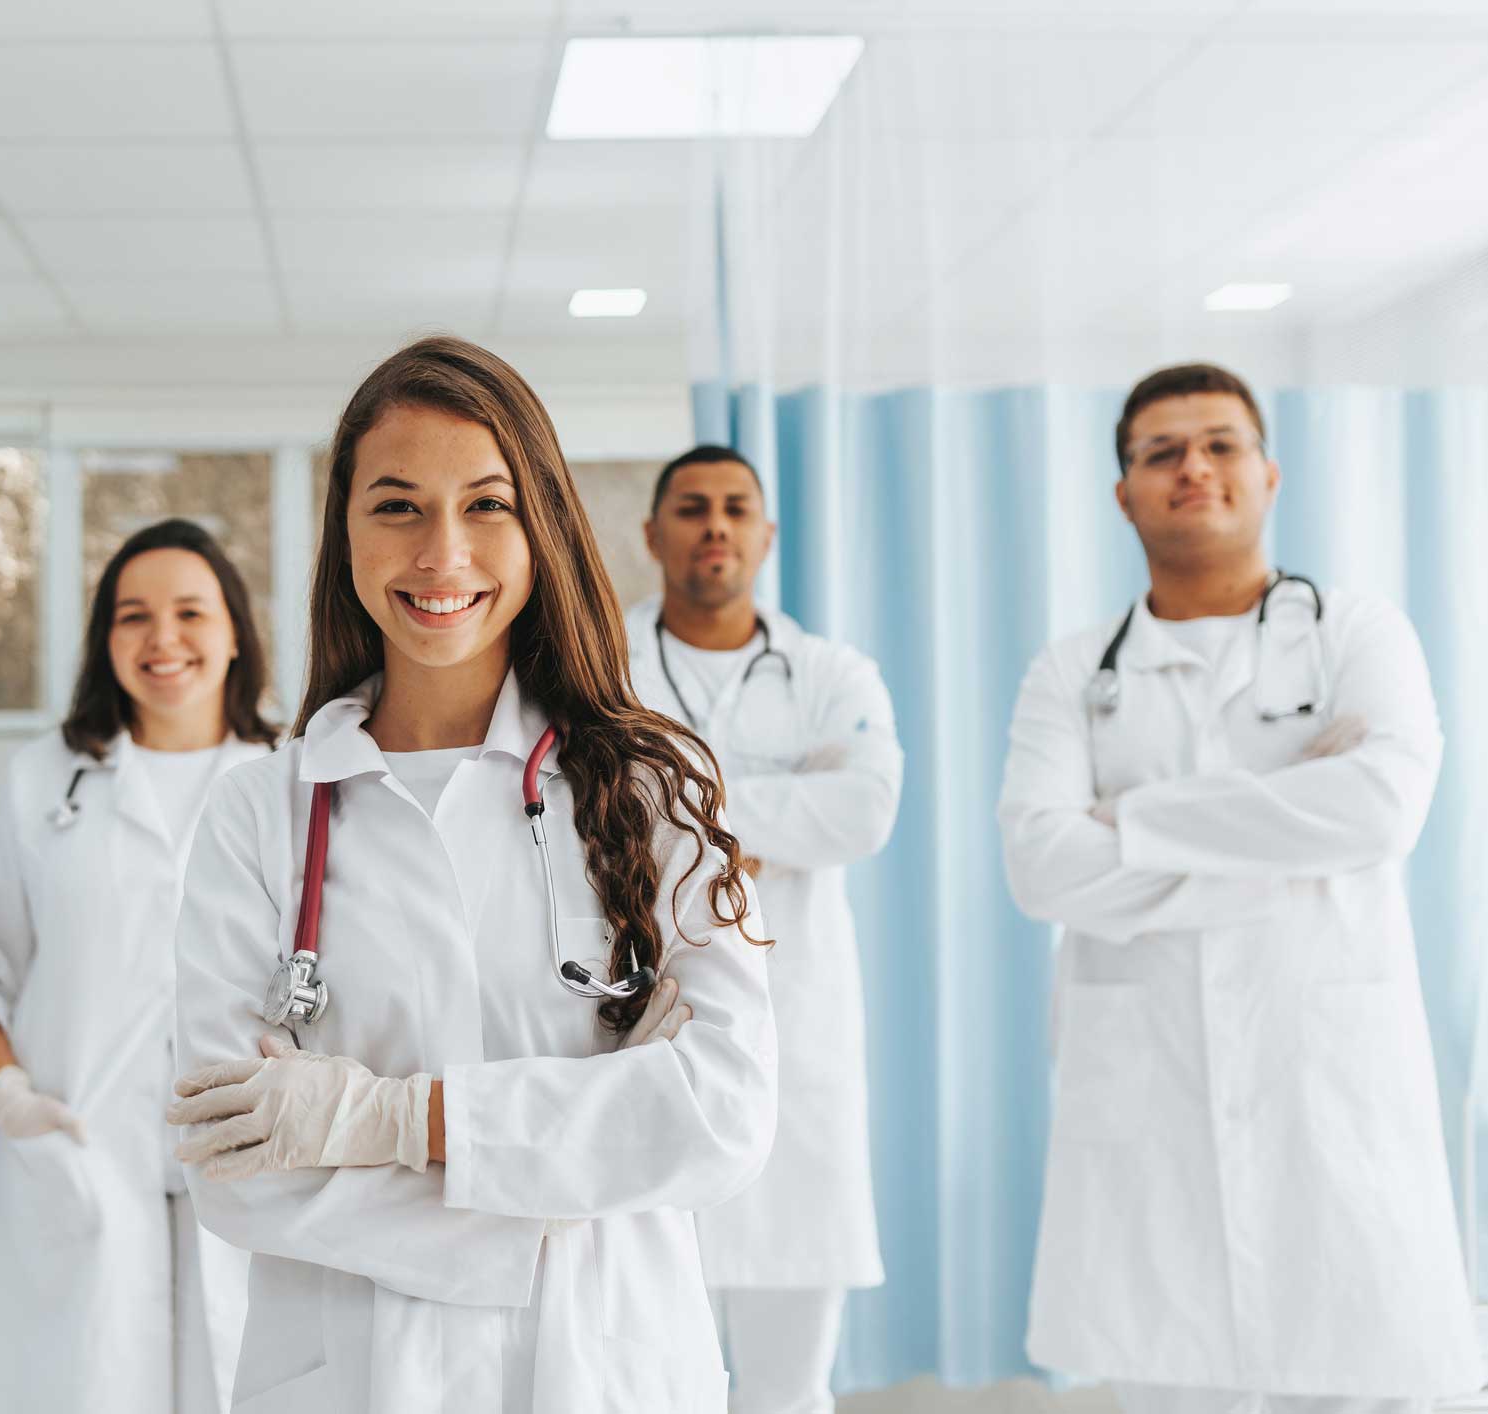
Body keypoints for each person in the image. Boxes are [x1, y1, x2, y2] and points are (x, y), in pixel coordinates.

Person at [165, 335, 779, 1413]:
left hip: (606, 1361)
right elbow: (228, 1165)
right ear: (344, 533)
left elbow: (722, 1116)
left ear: (541, 525)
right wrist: (574, 1159)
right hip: (349, 1374)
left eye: (486, 505)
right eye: (397, 506)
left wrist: (396, 1122)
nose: (442, 552)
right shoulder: (258, 813)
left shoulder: (650, 788)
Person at [997, 364, 1481, 1413]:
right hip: (1151, 1112)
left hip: (1332, 1097)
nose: (1193, 468)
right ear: (1122, 492)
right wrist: (1288, 836)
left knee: (1360, 1372)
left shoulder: (1358, 634)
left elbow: (1381, 809)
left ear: (1268, 472)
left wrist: (1130, 822)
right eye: (1160, 452)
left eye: (1218, 444)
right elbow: (1040, 867)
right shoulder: (1072, 672)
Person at [0, 518, 279, 1414]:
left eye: (189, 613)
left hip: (261, 1170)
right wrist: (13, 1104)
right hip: (79, 1167)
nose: (161, 639)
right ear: (105, 641)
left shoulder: (295, 782)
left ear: (235, 631)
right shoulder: (43, 781)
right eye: (132, 616)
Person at [625, 445, 901, 1414]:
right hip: (647, 1032)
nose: (715, 525)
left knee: (789, 1382)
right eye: (693, 507)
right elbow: (594, 803)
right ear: (653, 533)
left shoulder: (831, 671)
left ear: (767, 535)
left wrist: (678, 800)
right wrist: (780, 809)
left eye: (737, 508)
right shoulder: (604, 667)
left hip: (800, 1038)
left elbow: (866, 809)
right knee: (651, 1360)